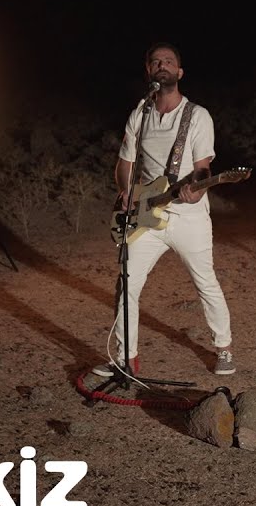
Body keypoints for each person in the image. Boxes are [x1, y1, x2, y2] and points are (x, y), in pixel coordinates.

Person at [93, 42, 236, 377]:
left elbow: (203, 167)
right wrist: (125, 190)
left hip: (188, 219)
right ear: (148, 70)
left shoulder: (196, 116)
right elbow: (125, 162)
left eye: (169, 61)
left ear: (180, 72)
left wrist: (196, 190)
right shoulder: (140, 114)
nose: (162, 65)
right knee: (126, 283)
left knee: (205, 282)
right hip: (146, 216)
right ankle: (127, 358)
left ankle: (224, 348)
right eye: (155, 61)